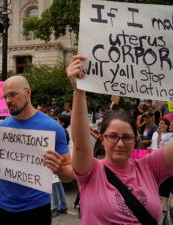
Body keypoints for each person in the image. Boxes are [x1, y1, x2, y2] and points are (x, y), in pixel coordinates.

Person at [67, 55, 173, 224]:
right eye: (113, 136)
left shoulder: (150, 167)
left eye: (127, 137)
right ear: (102, 139)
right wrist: (79, 91)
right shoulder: (91, 170)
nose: (120, 143)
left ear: (136, 139)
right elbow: (80, 144)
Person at [0, 75, 74, 225]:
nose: (8, 100)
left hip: (36, 209)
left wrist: (60, 169)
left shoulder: (53, 128)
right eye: (5, 96)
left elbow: (69, 175)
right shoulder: (1, 128)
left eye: (12, 94)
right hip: (2, 207)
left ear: (28, 92)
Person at [51, 115, 70, 217]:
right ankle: (63, 206)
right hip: (60, 163)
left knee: (55, 186)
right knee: (58, 185)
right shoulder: (64, 132)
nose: (56, 122)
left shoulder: (62, 133)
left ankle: (57, 208)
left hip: (58, 164)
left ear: (62, 123)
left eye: (57, 120)